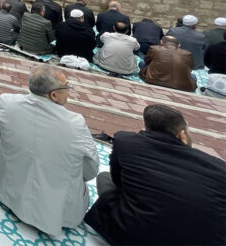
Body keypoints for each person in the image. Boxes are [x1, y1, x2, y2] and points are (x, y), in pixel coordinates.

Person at [84, 104, 226, 246]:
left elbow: (118, 180)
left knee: (105, 178)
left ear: (146, 126)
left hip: (134, 235)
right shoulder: (218, 167)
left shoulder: (126, 142)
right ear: (182, 133)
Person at [0, 66, 99, 236]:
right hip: (56, 213)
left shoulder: (6, 102)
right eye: (66, 86)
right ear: (54, 95)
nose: (69, 90)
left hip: (8, 193)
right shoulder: (75, 124)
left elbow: (0, 134)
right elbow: (90, 170)